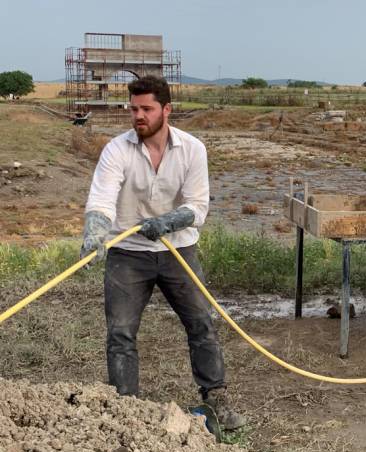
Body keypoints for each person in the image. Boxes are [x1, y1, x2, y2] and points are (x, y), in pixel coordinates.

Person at [80, 76, 247, 429]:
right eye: (134, 109)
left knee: (201, 323)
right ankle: (125, 408)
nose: (138, 116)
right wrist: (95, 229)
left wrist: (168, 221)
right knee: (121, 332)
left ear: (166, 110)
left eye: (146, 109)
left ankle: (215, 399)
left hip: (179, 250)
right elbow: (102, 197)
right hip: (127, 253)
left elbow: (197, 205)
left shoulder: (192, 149)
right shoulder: (116, 149)